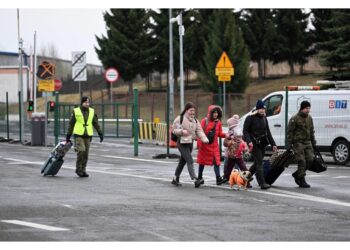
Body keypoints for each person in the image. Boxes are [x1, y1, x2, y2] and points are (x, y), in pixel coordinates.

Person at [171, 102, 209, 187]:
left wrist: (204, 139)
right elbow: (174, 130)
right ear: (186, 110)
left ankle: (175, 178)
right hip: (181, 142)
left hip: (190, 143)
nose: (192, 112)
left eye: (193, 111)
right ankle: (195, 179)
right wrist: (181, 131)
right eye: (191, 110)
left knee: (182, 161)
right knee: (190, 160)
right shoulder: (179, 118)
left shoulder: (195, 120)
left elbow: (199, 131)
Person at [243, 100, 277, 189]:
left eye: (264, 109)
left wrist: (273, 144)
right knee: (259, 163)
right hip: (254, 144)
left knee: (257, 163)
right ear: (257, 109)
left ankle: (245, 178)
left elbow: (268, 132)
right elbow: (245, 131)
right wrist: (249, 141)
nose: (262, 110)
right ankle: (262, 183)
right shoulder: (250, 118)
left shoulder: (264, 118)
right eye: (261, 109)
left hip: (262, 144)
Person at [66, 96, 104, 177]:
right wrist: (68, 136)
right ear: (82, 103)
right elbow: (71, 124)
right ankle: (78, 169)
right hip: (79, 135)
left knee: (86, 153)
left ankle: (83, 169)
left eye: (88, 102)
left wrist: (100, 133)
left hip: (88, 135)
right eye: (85, 102)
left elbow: (95, 123)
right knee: (81, 151)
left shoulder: (92, 111)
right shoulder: (76, 111)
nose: (87, 104)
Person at [196, 105, 228, 186]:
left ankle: (218, 179)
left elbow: (219, 133)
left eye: (216, 112)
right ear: (210, 113)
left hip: (214, 146)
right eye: (214, 112)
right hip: (204, 145)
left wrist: (226, 135)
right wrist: (199, 144)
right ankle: (200, 177)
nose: (215, 114)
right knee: (202, 162)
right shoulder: (204, 121)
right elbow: (200, 133)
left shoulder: (218, 122)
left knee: (217, 162)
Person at [287, 100, 316, 188]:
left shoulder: (309, 118)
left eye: (309, 108)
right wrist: (289, 145)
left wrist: (313, 142)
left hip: (307, 142)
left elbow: (312, 131)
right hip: (298, 142)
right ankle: (301, 179)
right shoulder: (294, 118)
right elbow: (290, 132)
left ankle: (297, 174)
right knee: (301, 161)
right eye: (306, 108)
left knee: (310, 160)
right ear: (302, 108)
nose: (308, 110)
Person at [222, 117, 250, 185]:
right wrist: (230, 141)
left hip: (238, 156)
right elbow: (225, 144)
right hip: (232, 155)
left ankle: (248, 181)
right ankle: (226, 178)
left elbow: (243, 143)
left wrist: (246, 149)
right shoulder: (229, 136)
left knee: (243, 168)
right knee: (229, 168)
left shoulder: (240, 138)